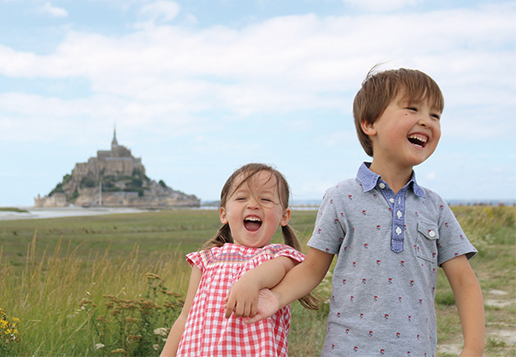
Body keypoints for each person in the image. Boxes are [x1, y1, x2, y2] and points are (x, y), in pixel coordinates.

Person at [225, 68, 485, 356]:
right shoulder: (342, 197)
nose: (426, 120)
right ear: (369, 123)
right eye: (412, 109)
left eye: (435, 115)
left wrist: (473, 347)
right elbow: (312, 268)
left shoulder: (433, 206)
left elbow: (464, 281)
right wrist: (275, 297)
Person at [161, 163, 320, 357]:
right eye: (241, 198)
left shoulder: (279, 255)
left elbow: (277, 268)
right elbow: (185, 317)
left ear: (284, 216)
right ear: (223, 214)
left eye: (266, 199)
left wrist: (251, 280)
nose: (253, 204)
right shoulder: (206, 259)